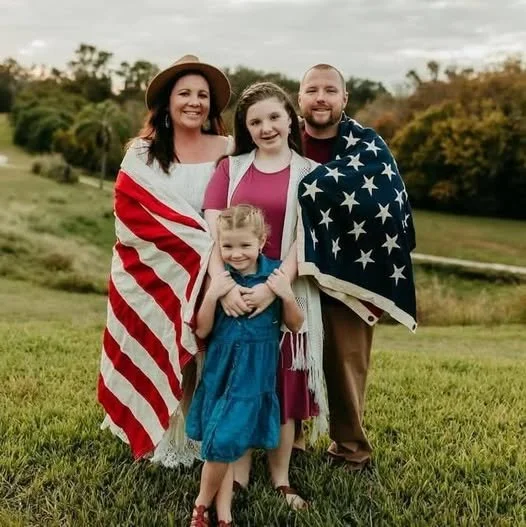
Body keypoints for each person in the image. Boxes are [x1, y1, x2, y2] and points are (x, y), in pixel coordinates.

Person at [97, 55, 234, 466]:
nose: (194, 102)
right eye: (185, 94)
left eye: (203, 95)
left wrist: (215, 257)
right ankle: (159, 434)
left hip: (215, 271)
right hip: (154, 272)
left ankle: (197, 433)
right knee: (161, 343)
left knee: (203, 358)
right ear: (167, 101)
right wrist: (196, 247)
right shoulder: (141, 153)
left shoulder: (229, 149)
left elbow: (243, 203)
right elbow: (132, 215)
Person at [203, 82, 327, 509]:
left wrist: (276, 289)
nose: (266, 127)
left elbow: (304, 238)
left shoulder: (309, 174)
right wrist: (224, 289)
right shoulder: (229, 169)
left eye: (274, 117)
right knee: (237, 381)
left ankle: (281, 478)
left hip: (284, 290)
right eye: (255, 121)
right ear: (246, 127)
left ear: (290, 118)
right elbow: (212, 234)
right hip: (233, 293)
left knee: (284, 385)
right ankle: (237, 474)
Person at [296, 64, 417, 471]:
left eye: (331, 90)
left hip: (350, 271)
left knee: (345, 364)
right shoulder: (280, 137)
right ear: (300, 98)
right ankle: (289, 444)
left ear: (344, 99)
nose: (321, 97)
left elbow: (389, 207)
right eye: (312, 89)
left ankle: (351, 451)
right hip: (287, 270)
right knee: (289, 358)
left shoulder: (368, 147)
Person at [186, 204, 304, 527]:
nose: (236, 254)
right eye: (227, 246)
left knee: (224, 443)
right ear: (218, 246)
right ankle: (224, 515)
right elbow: (202, 330)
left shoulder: (274, 276)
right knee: (224, 444)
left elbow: (295, 324)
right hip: (219, 375)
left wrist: (286, 295)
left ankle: (200, 507)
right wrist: (213, 295)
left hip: (253, 381)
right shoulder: (221, 279)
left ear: (261, 242)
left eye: (244, 246)